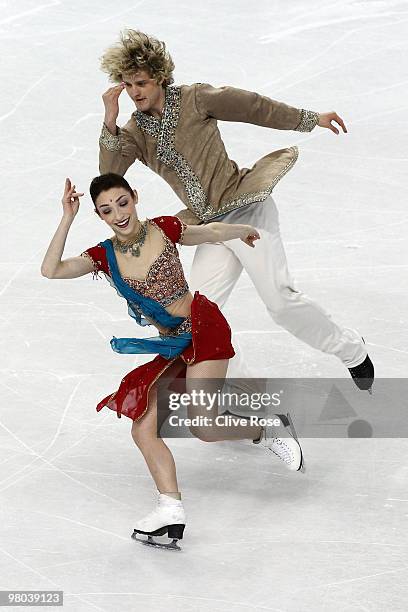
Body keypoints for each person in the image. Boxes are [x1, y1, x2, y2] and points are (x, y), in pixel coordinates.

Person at [97, 29, 374, 391]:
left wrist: (310, 118)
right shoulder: (134, 131)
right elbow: (109, 179)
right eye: (128, 84)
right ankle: (245, 391)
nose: (135, 92)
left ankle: (351, 350)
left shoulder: (196, 98)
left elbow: (253, 106)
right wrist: (110, 119)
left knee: (280, 304)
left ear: (161, 76)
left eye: (142, 82)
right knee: (196, 318)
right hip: (208, 228)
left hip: (245, 211)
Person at [40, 173, 304, 550]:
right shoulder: (104, 256)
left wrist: (240, 229)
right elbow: (51, 270)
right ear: (98, 215)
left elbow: (208, 233)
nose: (118, 214)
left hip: (203, 326)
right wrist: (67, 217)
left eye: (122, 202)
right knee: (142, 429)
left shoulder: (163, 229)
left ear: (134, 197)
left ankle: (266, 429)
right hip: (174, 345)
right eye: (106, 209)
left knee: (204, 427)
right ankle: (170, 510)